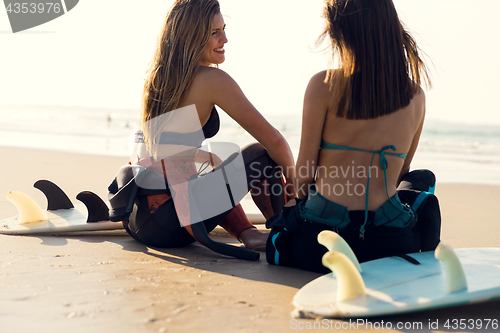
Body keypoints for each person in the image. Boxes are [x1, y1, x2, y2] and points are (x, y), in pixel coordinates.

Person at [108, 0, 295, 259]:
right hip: (174, 223)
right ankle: (288, 230)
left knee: (211, 174)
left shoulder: (157, 77)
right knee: (261, 154)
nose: (225, 39)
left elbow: (157, 146)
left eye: (224, 29)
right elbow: (275, 140)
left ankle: (249, 233)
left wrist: (198, 157)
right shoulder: (212, 80)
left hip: (141, 221)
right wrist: (297, 188)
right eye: (214, 33)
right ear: (191, 37)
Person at [266, 0, 441, 272]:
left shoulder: (323, 85)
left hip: (321, 246)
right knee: (422, 179)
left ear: (341, 31)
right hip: (390, 246)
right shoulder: (415, 96)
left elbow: (304, 173)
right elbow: (400, 172)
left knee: (280, 235)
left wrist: (297, 201)